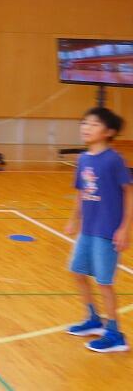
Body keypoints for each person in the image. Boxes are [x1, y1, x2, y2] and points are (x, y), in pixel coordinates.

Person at [64, 107, 132, 353]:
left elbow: (129, 192)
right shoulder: (83, 159)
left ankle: (115, 334)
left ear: (109, 132)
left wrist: (125, 228)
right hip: (88, 229)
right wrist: (74, 219)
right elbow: (81, 191)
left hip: (107, 231)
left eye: (94, 124)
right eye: (84, 123)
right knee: (77, 271)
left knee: (104, 282)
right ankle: (93, 319)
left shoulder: (114, 160)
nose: (86, 128)